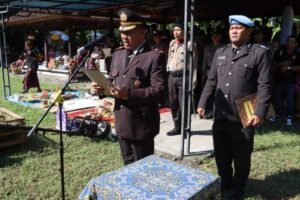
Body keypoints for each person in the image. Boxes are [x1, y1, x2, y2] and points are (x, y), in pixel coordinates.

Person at [197, 15, 272, 199]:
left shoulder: (259, 53)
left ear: (249, 31)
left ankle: (239, 187)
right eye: (232, 28)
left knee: (242, 154)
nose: (234, 31)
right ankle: (226, 181)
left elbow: (265, 85)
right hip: (221, 110)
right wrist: (202, 103)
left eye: (239, 28)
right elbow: (211, 80)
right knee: (221, 153)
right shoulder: (220, 53)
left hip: (245, 111)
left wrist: (260, 111)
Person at [92, 8, 166, 165]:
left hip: (141, 125)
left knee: (143, 169)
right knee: (127, 165)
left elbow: (158, 91)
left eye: (129, 32)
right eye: (122, 32)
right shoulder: (118, 54)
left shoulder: (153, 57)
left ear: (143, 32)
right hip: (122, 121)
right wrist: (102, 89)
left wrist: (128, 93)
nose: (124, 37)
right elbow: (112, 81)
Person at [166, 22, 197, 136]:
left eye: (179, 30)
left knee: (183, 104)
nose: (176, 32)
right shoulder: (172, 43)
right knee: (173, 104)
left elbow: (193, 65)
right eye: (174, 30)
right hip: (172, 77)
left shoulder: (190, 44)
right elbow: (169, 57)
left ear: (185, 32)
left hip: (184, 77)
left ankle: (185, 128)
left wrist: (192, 83)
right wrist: (168, 67)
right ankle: (177, 127)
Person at [269, 35, 300, 125]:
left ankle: (289, 117)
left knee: (289, 100)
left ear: (296, 44)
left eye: (291, 42)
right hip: (279, 79)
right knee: (277, 99)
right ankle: (277, 114)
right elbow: (273, 63)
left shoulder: (298, 54)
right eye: (288, 41)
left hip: (291, 81)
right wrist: (282, 64)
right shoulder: (280, 52)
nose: (289, 43)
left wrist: (289, 68)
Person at [201, 29, 224, 119]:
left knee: (218, 93)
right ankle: (209, 111)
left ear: (220, 37)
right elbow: (205, 61)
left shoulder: (224, 47)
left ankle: (216, 112)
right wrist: (203, 74)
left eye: (216, 35)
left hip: (220, 71)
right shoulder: (208, 47)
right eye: (213, 36)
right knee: (209, 93)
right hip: (209, 71)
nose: (214, 37)